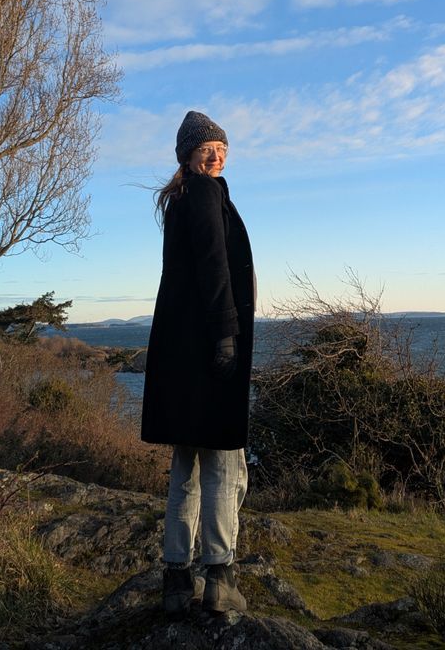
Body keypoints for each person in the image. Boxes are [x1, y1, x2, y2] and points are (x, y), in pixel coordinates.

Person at [141, 110, 255, 617]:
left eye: (222, 147)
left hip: (181, 350)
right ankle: (220, 576)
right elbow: (214, 265)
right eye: (207, 147)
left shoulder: (180, 198)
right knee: (224, 465)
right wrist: (227, 335)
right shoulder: (206, 194)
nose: (217, 155)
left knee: (184, 465)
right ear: (188, 154)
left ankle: (174, 578)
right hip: (211, 348)